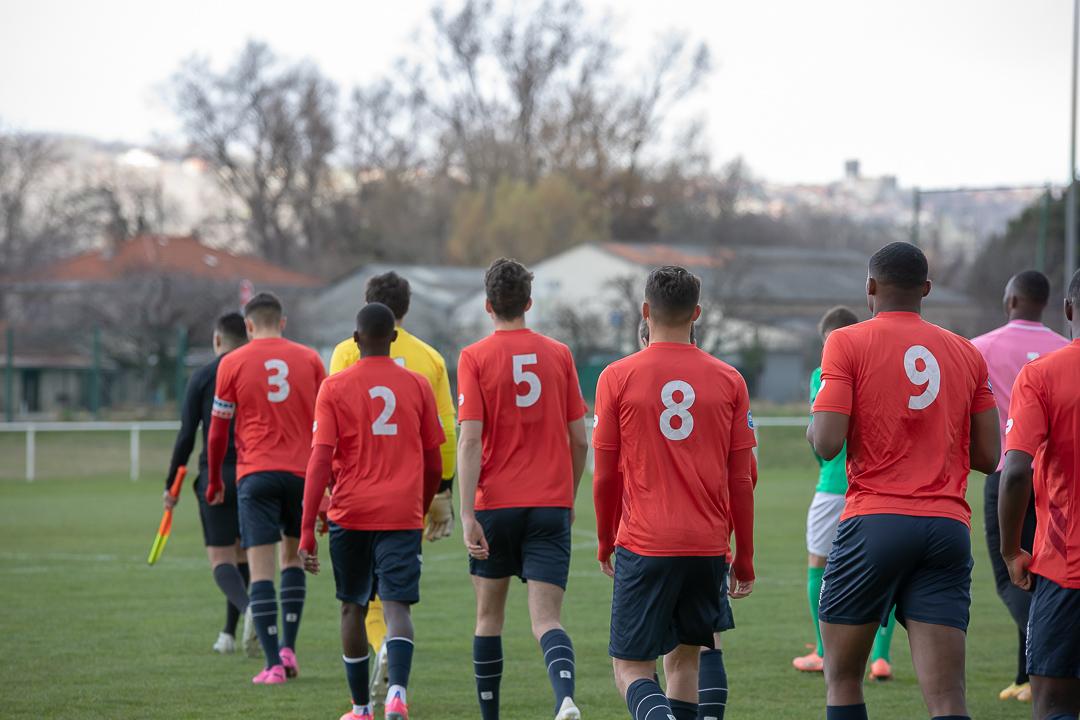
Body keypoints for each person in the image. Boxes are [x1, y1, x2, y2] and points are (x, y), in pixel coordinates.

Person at [809, 242, 1000, 720]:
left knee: (843, 680)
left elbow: (827, 442)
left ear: (870, 287)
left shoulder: (846, 341)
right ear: (927, 290)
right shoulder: (966, 352)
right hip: (946, 528)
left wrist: (817, 424)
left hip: (876, 520)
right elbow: (988, 456)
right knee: (948, 697)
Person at [593, 265, 757, 720]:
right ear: (697, 313)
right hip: (707, 548)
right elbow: (742, 479)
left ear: (645, 312)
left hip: (645, 543)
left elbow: (604, 476)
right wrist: (742, 554)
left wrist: (606, 541)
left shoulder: (616, 376)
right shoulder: (730, 379)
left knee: (630, 668)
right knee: (684, 663)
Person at [457, 258, 590, 720]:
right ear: (529, 303)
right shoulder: (559, 354)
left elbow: (470, 438)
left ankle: (491, 716)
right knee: (547, 620)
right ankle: (565, 698)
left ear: (489, 305)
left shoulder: (474, 357)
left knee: (488, 618)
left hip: (495, 503)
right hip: (551, 503)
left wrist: (467, 513)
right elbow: (580, 439)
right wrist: (568, 495)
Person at [299, 302, 445, 720]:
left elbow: (319, 461)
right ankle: (397, 692)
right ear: (393, 337)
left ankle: (361, 708)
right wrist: (419, 504)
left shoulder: (334, 387)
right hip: (401, 513)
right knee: (398, 607)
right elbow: (435, 462)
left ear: (356, 338)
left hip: (350, 514)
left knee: (352, 607)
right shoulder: (417, 385)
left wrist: (307, 527)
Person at [328, 271, 458, 703]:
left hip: (353, 498)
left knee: (358, 600)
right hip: (407, 497)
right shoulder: (431, 361)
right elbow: (446, 432)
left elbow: (329, 433)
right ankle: (394, 673)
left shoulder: (346, 353)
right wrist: (442, 493)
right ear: (404, 310)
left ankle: (373, 670)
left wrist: (328, 495)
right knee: (396, 595)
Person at [207, 291, 327, 684]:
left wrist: (213, 481)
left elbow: (217, 433)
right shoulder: (310, 359)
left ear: (248, 325)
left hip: (255, 475)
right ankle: (289, 649)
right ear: (284, 322)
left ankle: (273, 664)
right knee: (292, 560)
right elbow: (328, 426)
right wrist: (329, 485)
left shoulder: (232, 362)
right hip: (301, 475)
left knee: (261, 571)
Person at [970, 269, 1069, 703]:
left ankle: (1040, 663)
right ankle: (1025, 676)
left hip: (1009, 472)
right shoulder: (1065, 348)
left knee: (1012, 574)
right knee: (1044, 571)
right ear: (1050, 306)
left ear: (1010, 299)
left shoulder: (981, 348)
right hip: (1058, 483)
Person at [793, 307, 897, 679]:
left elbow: (819, 437)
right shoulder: (878, 372)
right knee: (885, 573)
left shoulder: (822, 375)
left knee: (818, 565)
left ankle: (823, 652)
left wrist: (827, 470)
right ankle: (880, 658)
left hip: (834, 486)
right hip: (875, 489)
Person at [999, 268, 1080, 720]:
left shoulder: (1042, 375)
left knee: (1054, 707)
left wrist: (1012, 551)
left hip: (1067, 573)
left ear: (1068, 310)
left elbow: (1014, 474)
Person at [163, 311, 256, 656]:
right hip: (254, 475)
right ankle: (229, 635)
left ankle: (251, 613)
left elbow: (187, 436)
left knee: (221, 560)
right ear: (247, 337)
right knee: (243, 556)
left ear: (217, 340)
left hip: (216, 478)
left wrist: (171, 484)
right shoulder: (255, 372)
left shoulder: (202, 377)